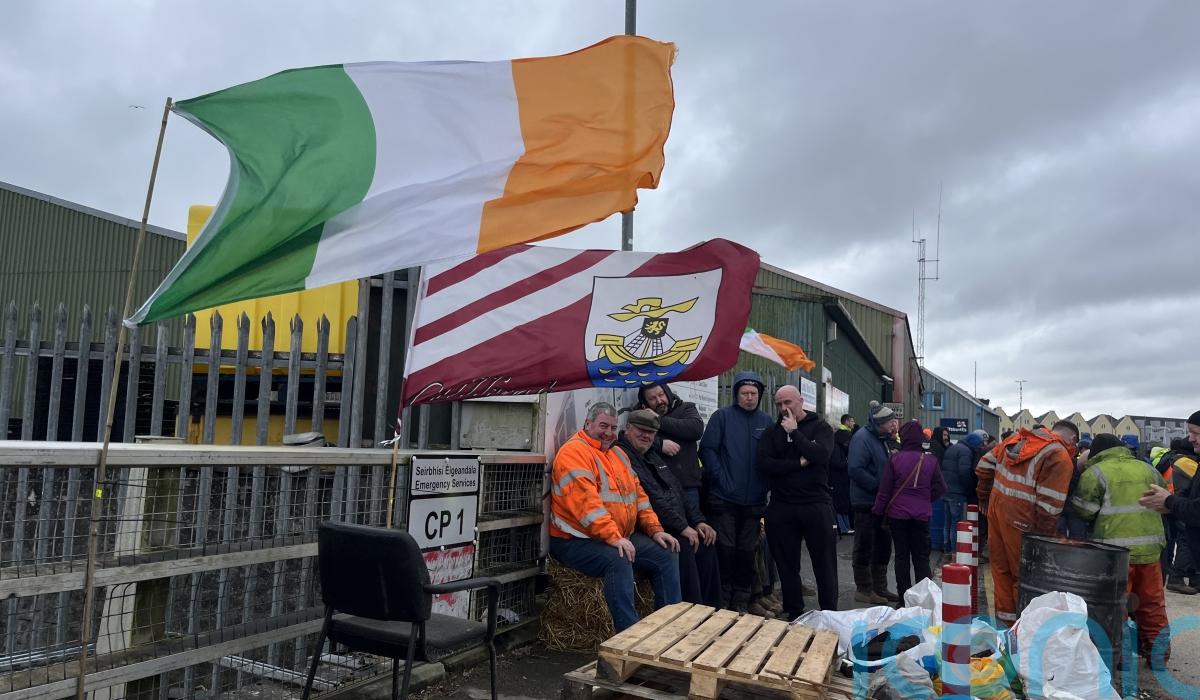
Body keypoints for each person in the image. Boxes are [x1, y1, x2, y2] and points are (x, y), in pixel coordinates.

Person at [548, 402, 681, 632]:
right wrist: (614, 537)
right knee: (617, 559)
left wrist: (656, 530)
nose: (609, 433)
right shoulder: (574, 453)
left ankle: (669, 628)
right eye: (603, 426)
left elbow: (640, 498)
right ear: (587, 424)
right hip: (575, 540)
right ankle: (628, 636)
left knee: (666, 552)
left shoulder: (618, 453)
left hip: (616, 535)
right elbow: (587, 507)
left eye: (612, 427)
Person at [1071, 433, 1168, 668]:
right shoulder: (1148, 469)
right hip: (1149, 551)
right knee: (1152, 604)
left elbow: (1084, 511)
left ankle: (1121, 657)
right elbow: (1164, 500)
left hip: (1114, 554)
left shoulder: (1095, 473)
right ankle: (1158, 656)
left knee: (1117, 607)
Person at [976, 419, 1079, 627]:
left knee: (1001, 573)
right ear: (1073, 440)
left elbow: (984, 466)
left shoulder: (1016, 439)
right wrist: (1041, 544)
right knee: (1026, 578)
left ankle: (1005, 628)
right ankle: (1023, 630)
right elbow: (1049, 509)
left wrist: (985, 497)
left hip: (997, 511)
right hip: (1024, 520)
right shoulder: (1058, 456)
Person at [618, 409, 721, 608]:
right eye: (641, 430)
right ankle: (691, 613)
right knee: (683, 546)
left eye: (651, 432)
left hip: (671, 523)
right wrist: (683, 527)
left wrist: (698, 521)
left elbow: (678, 489)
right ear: (627, 428)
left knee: (707, 542)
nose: (646, 435)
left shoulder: (651, 454)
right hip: (647, 527)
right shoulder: (623, 455)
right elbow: (652, 499)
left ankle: (713, 611)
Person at [637, 382, 724, 604]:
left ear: (667, 393)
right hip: (661, 491)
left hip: (687, 488)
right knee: (684, 544)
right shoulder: (639, 420)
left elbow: (694, 429)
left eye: (661, 395)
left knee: (702, 541)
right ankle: (690, 604)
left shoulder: (687, 408)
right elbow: (634, 435)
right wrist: (659, 443)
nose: (659, 400)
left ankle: (712, 605)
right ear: (645, 403)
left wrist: (658, 420)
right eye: (652, 398)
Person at [757, 385, 839, 618]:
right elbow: (765, 464)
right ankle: (794, 612)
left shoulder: (821, 427)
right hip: (782, 506)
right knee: (786, 565)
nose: (784, 408)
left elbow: (821, 455)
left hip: (816, 504)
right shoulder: (772, 432)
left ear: (801, 401)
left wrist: (795, 433)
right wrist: (798, 463)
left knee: (824, 564)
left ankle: (829, 615)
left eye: (788, 402)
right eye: (779, 404)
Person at [699, 371, 773, 612]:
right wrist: (720, 479)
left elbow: (773, 457)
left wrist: (765, 484)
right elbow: (707, 450)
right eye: (745, 393)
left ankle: (741, 601)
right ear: (736, 394)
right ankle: (722, 601)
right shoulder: (722, 417)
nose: (749, 397)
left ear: (759, 395)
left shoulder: (766, 422)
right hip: (724, 499)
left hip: (754, 501)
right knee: (725, 550)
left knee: (747, 552)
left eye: (753, 393)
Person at [873, 420, 947, 600]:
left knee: (901, 557)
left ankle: (904, 598)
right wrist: (925, 499)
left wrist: (878, 510)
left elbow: (885, 490)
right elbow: (941, 487)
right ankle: (924, 599)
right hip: (921, 515)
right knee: (921, 557)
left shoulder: (895, 459)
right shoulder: (930, 461)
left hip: (898, 515)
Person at [848, 400, 901, 604]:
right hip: (866, 502)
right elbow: (856, 469)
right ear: (880, 423)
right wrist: (880, 487)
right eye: (890, 422)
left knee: (883, 545)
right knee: (865, 545)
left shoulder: (880, 439)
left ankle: (879, 587)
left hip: (880, 502)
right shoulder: (862, 438)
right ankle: (864, 588)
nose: (894, 425)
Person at [1153, 437, 1200, 593]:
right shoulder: (1187, 463)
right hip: (1179, 506)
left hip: (1174, 504)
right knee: (1185, 540)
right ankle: (1177, 576)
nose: (1192, 438)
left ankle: (1192, 577)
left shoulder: (1173, 461)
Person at [940, 430, 982, 563]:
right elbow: (964, 472)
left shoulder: (952, 448)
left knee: (947, 522)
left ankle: (946, 551)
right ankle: (955, 553)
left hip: (946, 489)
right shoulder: (966, 451)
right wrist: (969, 489)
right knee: (956, 522)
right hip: (957, 491)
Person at [831, 414, 855, 535]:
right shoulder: (847, 438)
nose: (853, 423)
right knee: (842, 502)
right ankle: (844, 527)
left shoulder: (835, 442)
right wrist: (848, 463)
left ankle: (844, 527)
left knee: (840, 502)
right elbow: (837, 462)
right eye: (852, 421)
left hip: (837, 477)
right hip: (841, 477)